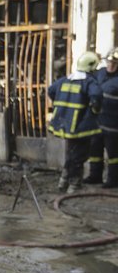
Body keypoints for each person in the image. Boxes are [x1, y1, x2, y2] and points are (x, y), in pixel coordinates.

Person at [47, 51, 103, 194]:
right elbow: (96, 96)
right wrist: (95, 110)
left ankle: (63, 181)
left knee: (71, 154)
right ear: (91, 68)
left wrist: (61, 105)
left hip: (65, 125)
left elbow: (51, 90)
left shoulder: (65, 80)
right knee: (79, 156)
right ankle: (74, 186)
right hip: (81, 127)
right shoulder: (89, 82)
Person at [88, 47, 118, 188]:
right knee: (95, 150)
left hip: (113, 123)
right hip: (97, 121)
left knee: (113, 154)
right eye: (109, 62)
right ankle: (95, 176)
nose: (111, 65)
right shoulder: (99, 74)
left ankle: (113, 179)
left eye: (115, 63)